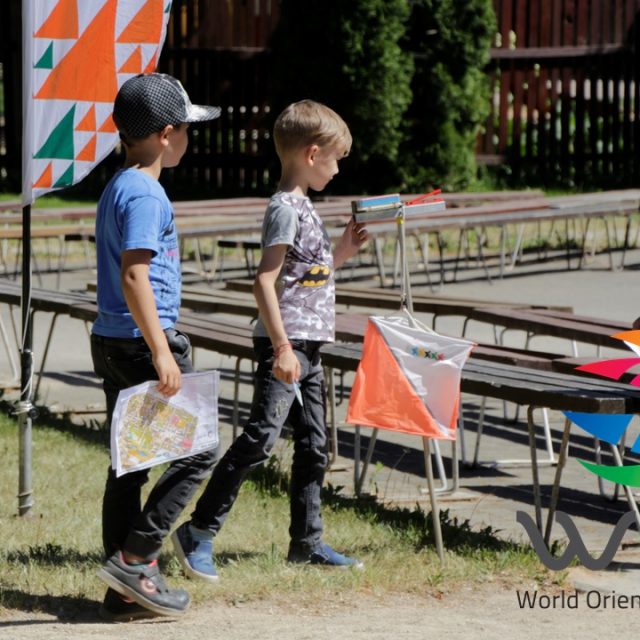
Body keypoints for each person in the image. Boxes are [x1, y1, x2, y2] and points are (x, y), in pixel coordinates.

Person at [171, 99, 369, 581]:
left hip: (308, 347)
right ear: (312, 153)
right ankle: (197, 532)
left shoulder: (303, 207)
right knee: (260, 438)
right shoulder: (285, 208)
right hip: (287, 347)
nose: (339, 168)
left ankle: (307, 543)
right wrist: (282, 349)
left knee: (314, 445)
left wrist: (340, 255)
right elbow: (264, 282)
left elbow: (304, 281)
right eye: (336, 158)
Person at [91, 73, 220, 621]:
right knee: (199, 452)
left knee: (129, 464)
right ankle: (137, 557)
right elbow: (135, 275)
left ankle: (122, 592)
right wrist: (163, 351)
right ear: (167, 134)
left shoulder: (119, 184)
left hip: (113, 340)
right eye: (188, 128)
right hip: (146, 344)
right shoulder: (146, 191)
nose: (191, 138)